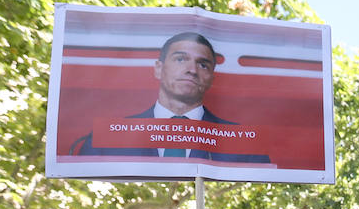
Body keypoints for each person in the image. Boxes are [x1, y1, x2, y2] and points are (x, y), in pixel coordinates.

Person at [72, 32, 269, 163]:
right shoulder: (105, 140)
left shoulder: (246, 147)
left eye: (203, 65)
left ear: (211, 78)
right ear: (158, 68)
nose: (191, 70)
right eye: (180, 59)